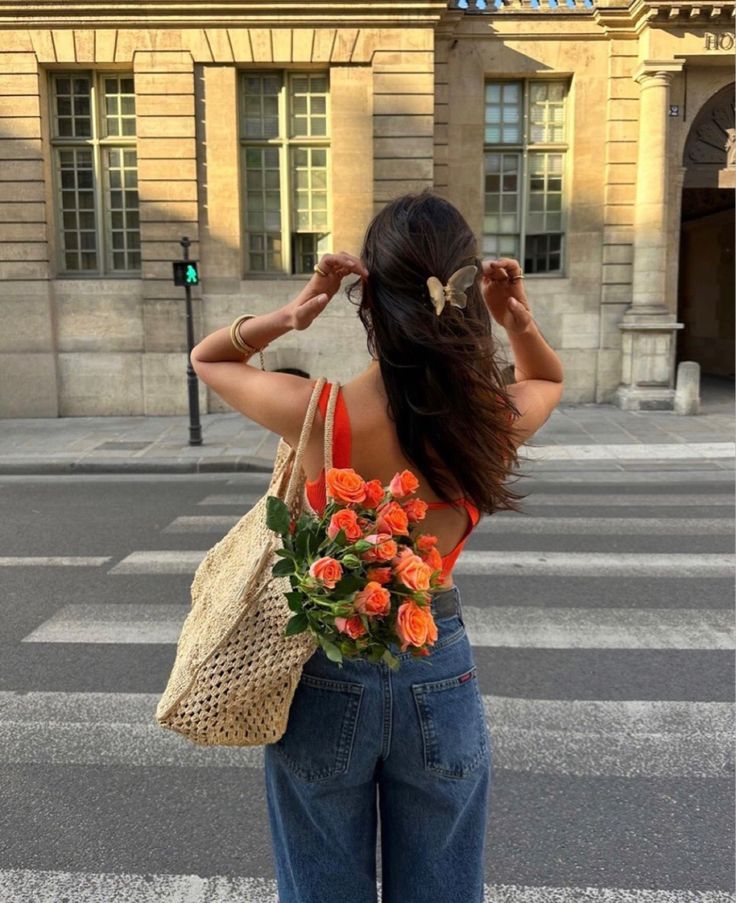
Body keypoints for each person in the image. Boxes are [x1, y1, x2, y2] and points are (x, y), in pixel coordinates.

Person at [190, 189, 564, 903]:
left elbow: (208, 360)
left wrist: (295, 312)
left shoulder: (320, 412)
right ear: (465, 296)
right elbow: (546, 378)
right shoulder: (487, 421)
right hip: (439, 663)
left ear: (370, 303)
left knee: (321, 884)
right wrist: (518, 321)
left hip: (330, 670)